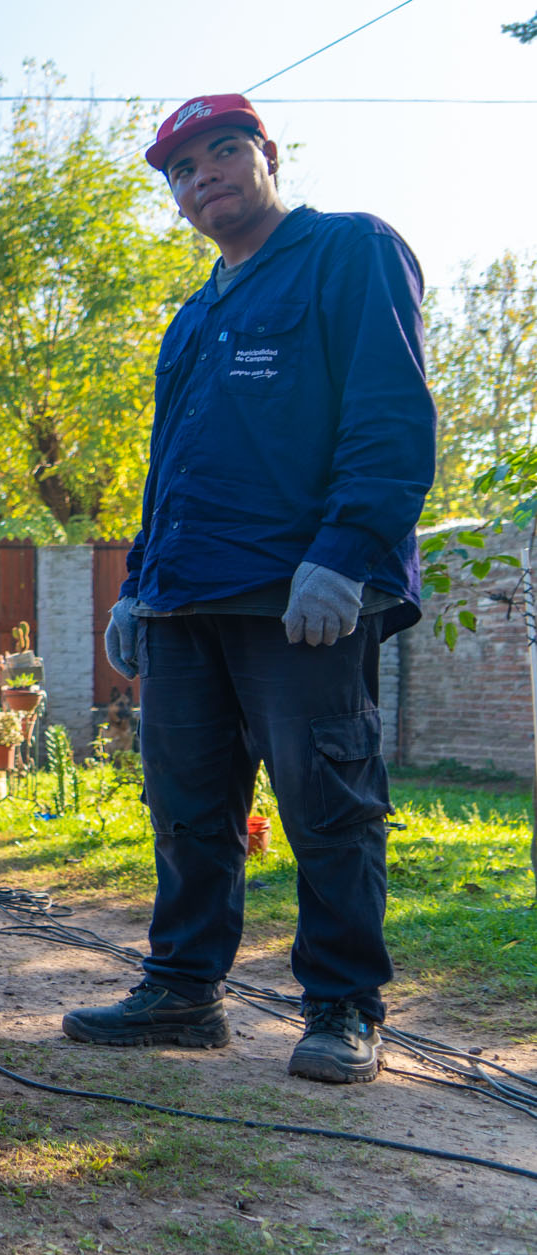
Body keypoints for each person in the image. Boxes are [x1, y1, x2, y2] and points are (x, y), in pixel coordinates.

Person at [71, 94, 434, 1084]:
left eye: (221, 153)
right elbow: (168, 466)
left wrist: (346, 552)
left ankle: (342, 1007)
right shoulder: (192, 318)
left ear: (265, 155)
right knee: (185, 805)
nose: (201, 179)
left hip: (298, 592)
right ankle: (182, 990)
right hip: (184, 599)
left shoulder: (347, 253)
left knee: (325, 801)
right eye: (181, 171)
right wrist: (134, 586)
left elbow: (389, 415)